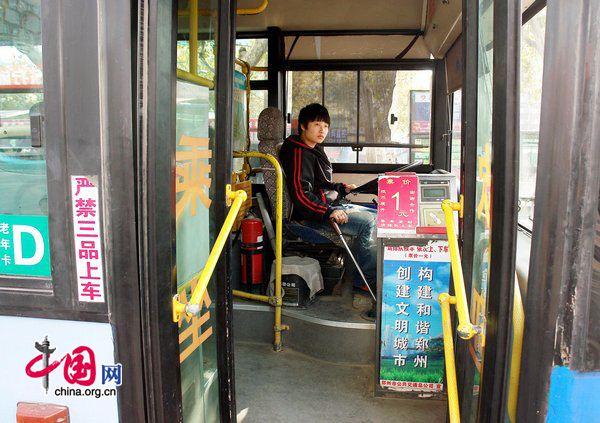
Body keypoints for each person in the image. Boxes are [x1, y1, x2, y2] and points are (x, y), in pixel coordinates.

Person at [279, 103, 378, 297]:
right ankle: (366, 281)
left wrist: (340, 187)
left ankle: (359, 275)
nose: (322, 130)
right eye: (317, 124)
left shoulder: (313, 148)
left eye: (325, 126)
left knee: (378, 214)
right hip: (313, 216)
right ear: (303, 126)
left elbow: (320, 183)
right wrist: (328, 211)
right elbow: (301, 195)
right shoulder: (299, 153)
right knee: (369, 223)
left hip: (327, 205)